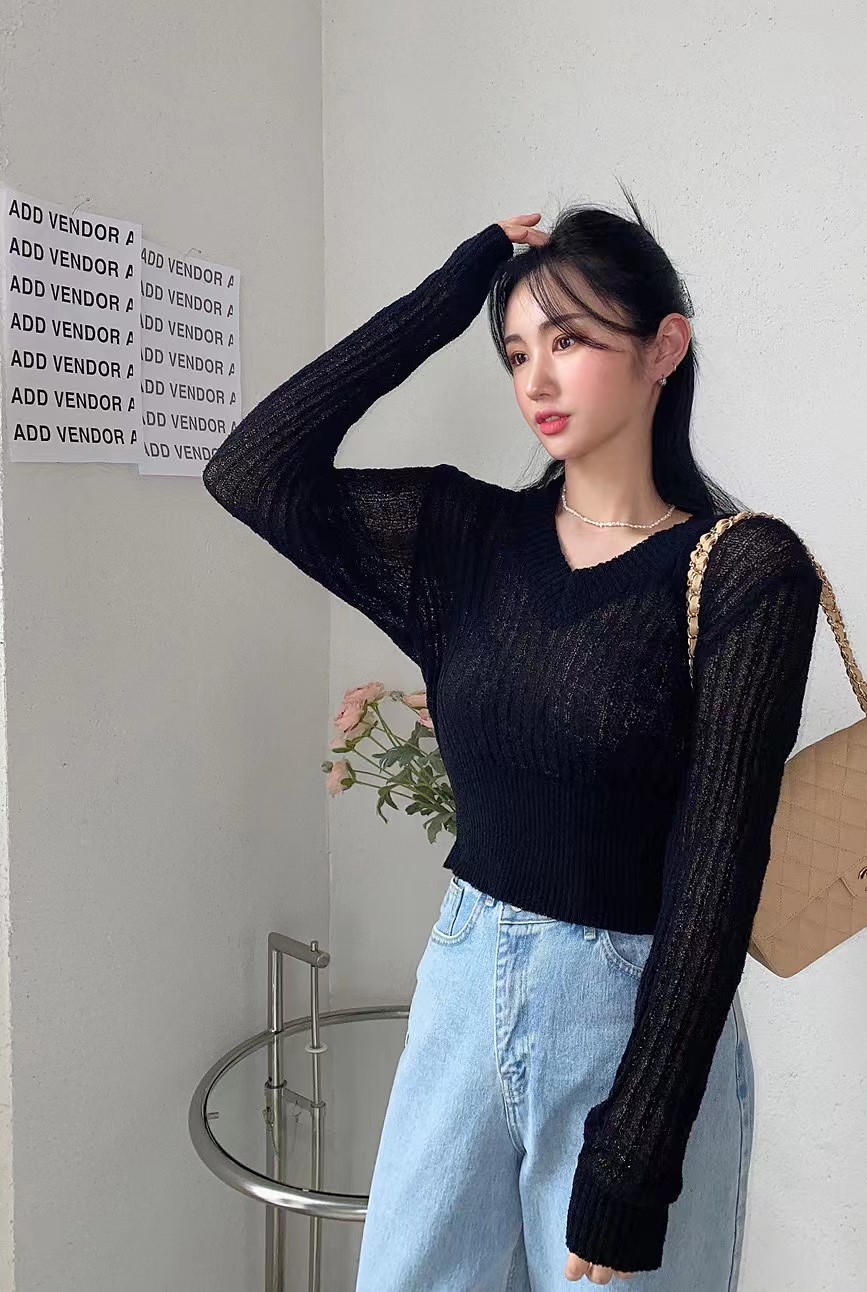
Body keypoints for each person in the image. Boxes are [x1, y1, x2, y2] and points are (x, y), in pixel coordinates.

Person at [202, 190, 822, 1290]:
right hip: (463, 982)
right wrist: (459, 287)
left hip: (634, 1012)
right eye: (516, 351)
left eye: (569, 340)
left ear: (664, 347)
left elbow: (719, 867)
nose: (535, 379)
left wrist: (636, 1155)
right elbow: (250, 470)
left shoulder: (744, 570)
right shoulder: (464, 539)